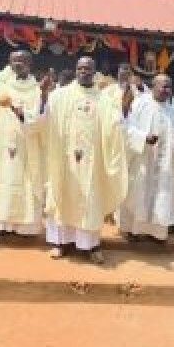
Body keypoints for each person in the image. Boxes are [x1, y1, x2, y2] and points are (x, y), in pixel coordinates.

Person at [42, 57, 126, 264]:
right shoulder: (60, 96)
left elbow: (114, 124)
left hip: (92, 163)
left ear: (94, 72)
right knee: (63, 196)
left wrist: (121, 114)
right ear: (75, 70)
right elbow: (47, 119)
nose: (84, 72)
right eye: (80, 68)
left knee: (90, 200)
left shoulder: (104, 99)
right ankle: (61, 243)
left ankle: (91, 246)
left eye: (88, 69)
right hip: (66, 160)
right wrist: (43, 96)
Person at [0, 50, 46, 238]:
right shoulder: (2, 89)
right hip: (2, 145)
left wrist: (23, 114)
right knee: (3, 181)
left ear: (29, 63)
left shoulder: (37, 90)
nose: (18, 64)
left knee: (26, 183)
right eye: (14, 60)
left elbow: (41, 121)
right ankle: (3, 225)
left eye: (22, 60)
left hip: (27, 146)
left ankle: (25, 228)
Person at [118, 74, 174, 244]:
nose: (166, 90)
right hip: (142, 159)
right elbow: (127, 128)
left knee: (161, 196)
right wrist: (144, 137)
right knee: (139, 194)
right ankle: (133, 230)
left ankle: (157, 233)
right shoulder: (140, 104)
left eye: (169, 87)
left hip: (164, 163)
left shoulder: (173, 112)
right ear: (153, 87)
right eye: (163, 86)